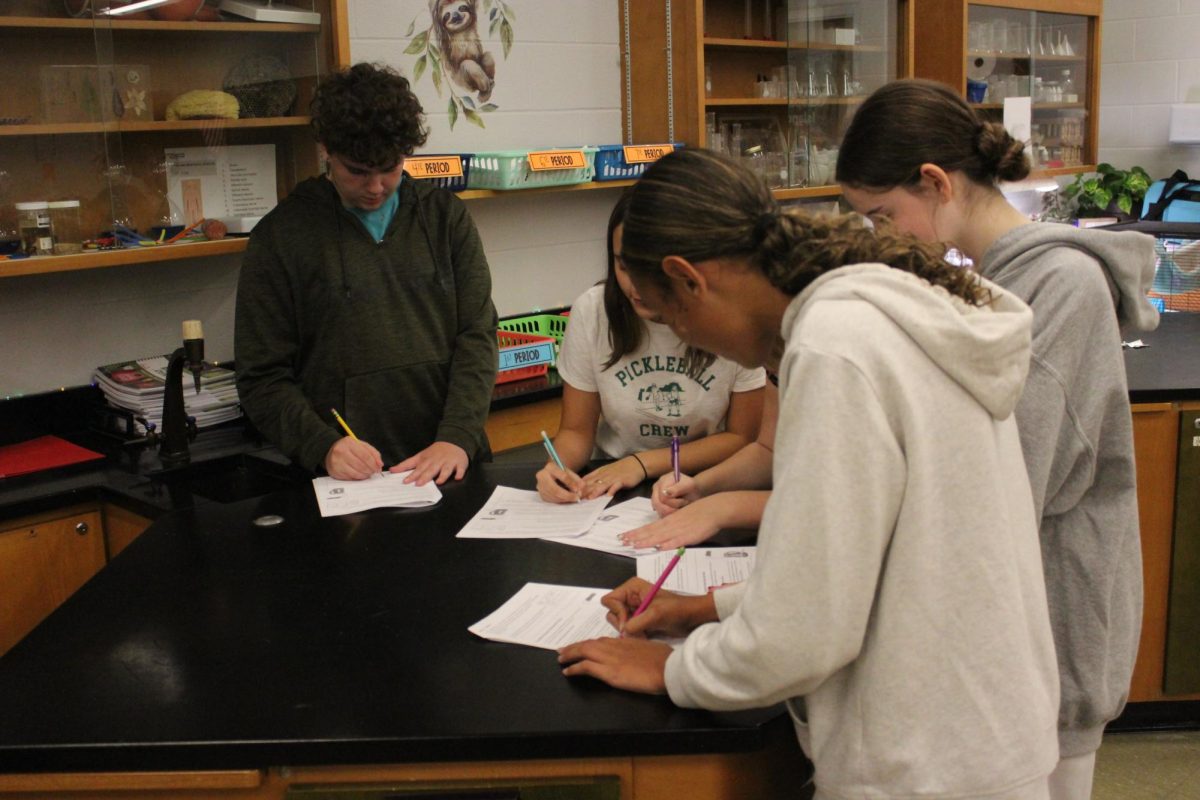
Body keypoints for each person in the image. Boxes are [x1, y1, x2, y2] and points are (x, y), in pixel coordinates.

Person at [558, 149, 1060, 798]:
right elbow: (855, 565)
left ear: (689, 279)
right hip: (976, 727)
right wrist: (705, 609)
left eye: (669, 316)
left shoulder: (835, 346)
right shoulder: (881, 313)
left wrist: (672, 673)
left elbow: (803, 636)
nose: (689, 340)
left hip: (926, 758)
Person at [835, 78, 1160, 799]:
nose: (881, 238)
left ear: (936, 183)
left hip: (1052, 637)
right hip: (1000, 638)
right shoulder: (983, 282)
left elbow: (1002, 484)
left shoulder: (1062, 287)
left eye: (883, 215)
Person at [235, 62, 498, 485]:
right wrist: (323, 446)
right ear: (326, 149)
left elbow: (478, 335)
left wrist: (458, 436)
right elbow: (261, 377)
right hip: (346, 480)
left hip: (450, 464)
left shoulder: (445, 218)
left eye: (390, 168)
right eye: (357, 171)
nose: (375, 187)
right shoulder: (281, 237)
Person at [536, 191, 765, 503]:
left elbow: (743, 438)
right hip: (612, 484)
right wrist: (556, 469)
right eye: (623, 265)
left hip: (706, 481)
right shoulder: (593, 312)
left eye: (650, 267)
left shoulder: (728, 316)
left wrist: (642, 464)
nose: (636, 284)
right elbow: (576, 431)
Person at [618, 380, 776, 550]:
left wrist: (725, 507)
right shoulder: (777, 369)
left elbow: (808, 505)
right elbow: (769, 451)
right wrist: (699, 486)